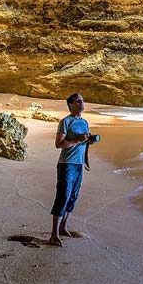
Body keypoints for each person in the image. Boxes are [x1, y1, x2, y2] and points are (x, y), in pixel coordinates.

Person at [49, 92, 94, 246]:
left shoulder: (85, 122)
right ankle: (53, 234)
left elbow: (84, 143)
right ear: (70, 105)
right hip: (66, 164)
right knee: (63, 196)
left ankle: (63, 227)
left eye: (82, 100)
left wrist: (88, 142)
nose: (81, 103)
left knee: (73, 196)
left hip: (79, 164)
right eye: (78, 101)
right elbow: (59, 144)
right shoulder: (65, 122)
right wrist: (77, 139)